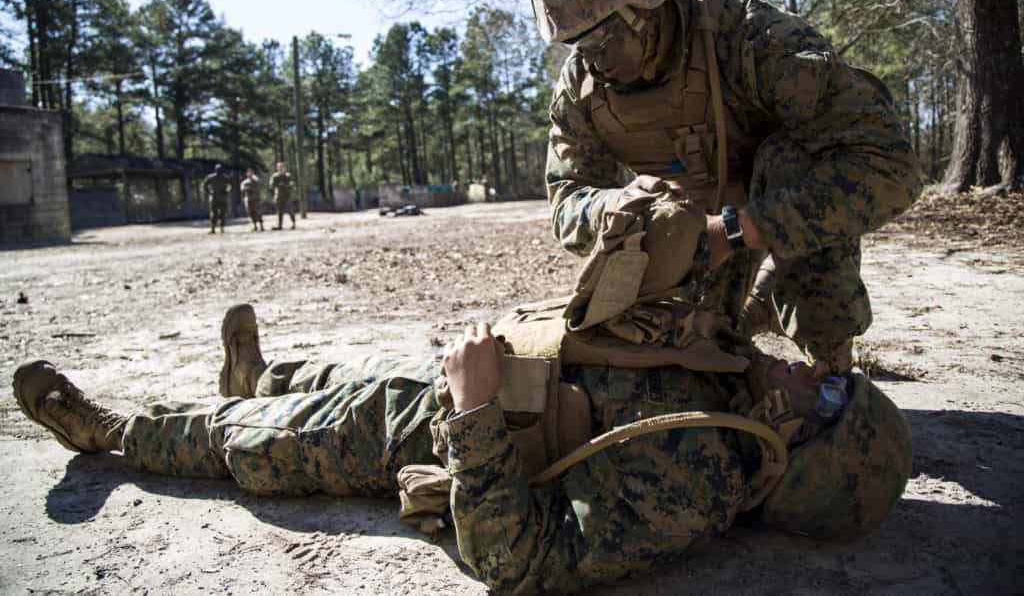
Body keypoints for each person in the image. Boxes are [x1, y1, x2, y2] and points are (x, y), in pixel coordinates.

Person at [12, 191, 911, 594]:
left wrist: (475, 413)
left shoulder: (696, 474)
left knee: (250, 441)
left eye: (833, 399)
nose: (823, 371)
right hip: (473, 375)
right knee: (352, 381)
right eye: (842, 377)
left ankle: (116, 431)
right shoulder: (741, 382)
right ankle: (267, 375)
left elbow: (521, 562)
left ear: (800, 454)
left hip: (444, 427)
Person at [529, 0, 924, 373]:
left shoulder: (755, 41)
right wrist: (620, 207)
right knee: (686, 354)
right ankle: (754, 309)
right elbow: (567, 200)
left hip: (766, 209)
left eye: (599, 38)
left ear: (647, 5)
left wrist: (743, 228)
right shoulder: (581, 88)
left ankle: (828, 362)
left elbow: (890, 168)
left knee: (788, 159)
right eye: (574, 46)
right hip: (690, 241)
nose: (591, 62)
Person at [201, 164, 232, 234]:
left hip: (222, 198)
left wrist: (227, 191)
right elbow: (204, 185)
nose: (219, 171)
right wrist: (209, 192)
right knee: (214, 214)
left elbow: (231, 185)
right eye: (218, 170)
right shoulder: (211, 177)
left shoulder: (225, 178)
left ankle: (221, 228)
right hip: (214, 198)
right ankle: (213, 228)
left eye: (220, 170)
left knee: (222, 214)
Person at [269, 162, 296, 230]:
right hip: (278, 196)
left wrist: (286, 185)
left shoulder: (288, 176)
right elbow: (271, 186)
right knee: (279, 211)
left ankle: (293, 224)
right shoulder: (275, 176)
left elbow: (292, 184)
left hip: (287, 196)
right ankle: (280, 225)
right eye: (279, 167)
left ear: (284, 168)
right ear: (277, 168)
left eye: (282, 167)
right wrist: (277, 187)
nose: (281, 169)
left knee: (290, 210)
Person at [240, 168, 265, 232]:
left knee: (258, 212)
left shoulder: (256, 180)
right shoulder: (245, 182)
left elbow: (260, 186)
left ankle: (261, 226)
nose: (249, 174)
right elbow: (242, 190)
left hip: (256, 199)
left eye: (251, 172)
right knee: (251, 213)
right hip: (249, 200)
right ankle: (255, 226)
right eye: (248, 172)